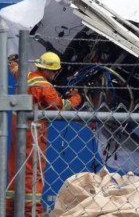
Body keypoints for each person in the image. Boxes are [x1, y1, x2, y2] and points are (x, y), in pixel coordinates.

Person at [6, 51, 82, 216]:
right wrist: (76, 98)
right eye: (54, 71)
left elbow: (15, 69)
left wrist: (12, 62)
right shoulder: (45, 86)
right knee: (33, 171)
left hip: (17, 126)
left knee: (15, 168)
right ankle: (32, 211)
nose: (55, 74)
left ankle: (9, 210)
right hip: (33, 131)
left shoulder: (26, 75)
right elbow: (60, 106)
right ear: (47, 70)